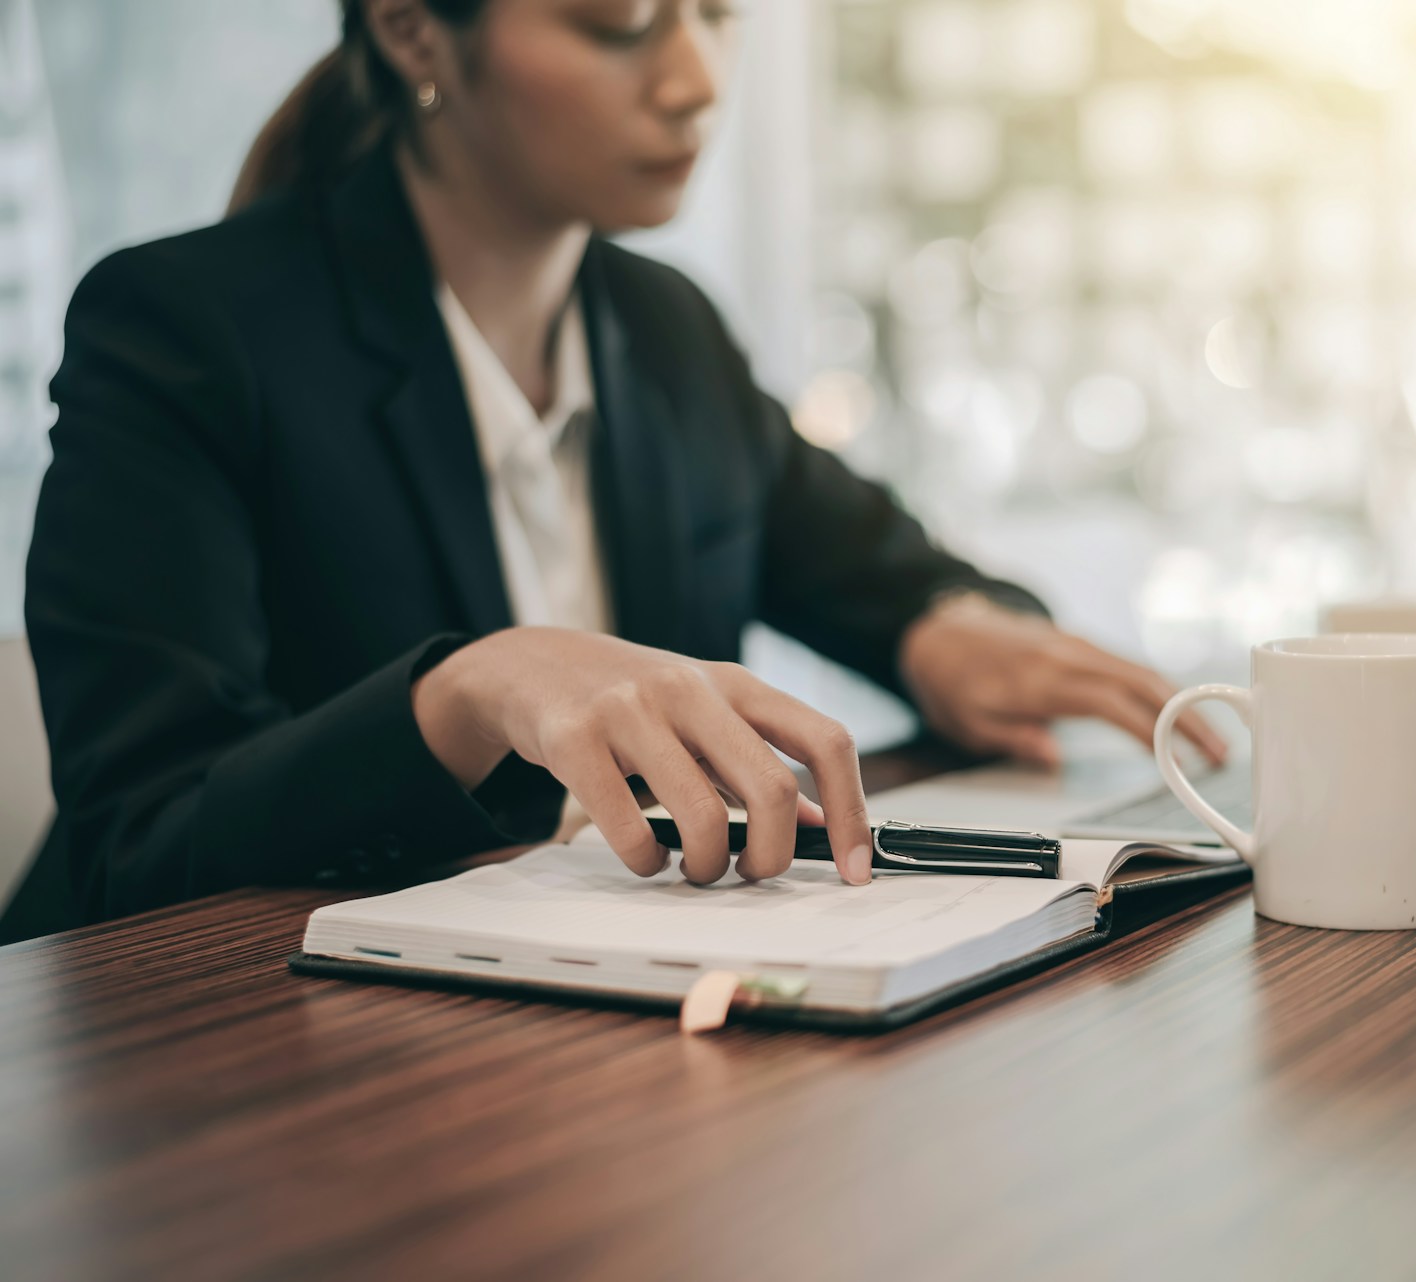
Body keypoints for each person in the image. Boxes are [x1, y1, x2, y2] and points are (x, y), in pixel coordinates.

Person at [3, 0, 1225, 943]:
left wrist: (941, 632)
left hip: (571, 1045)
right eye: (619, 24)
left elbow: (868, 566)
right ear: (415, 26)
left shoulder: (665, 329)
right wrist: (468, 692)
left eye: (716, 13)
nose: (695, 80)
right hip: (213, 1079)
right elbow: (139, 840)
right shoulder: (184, 329)